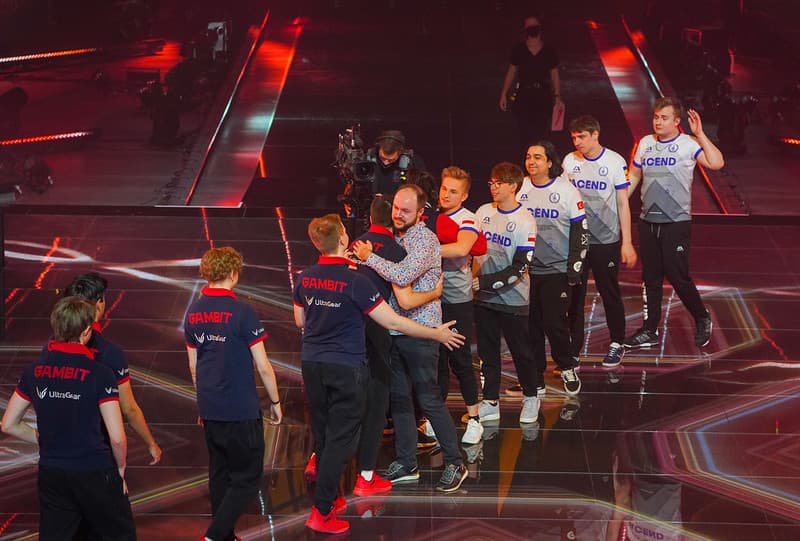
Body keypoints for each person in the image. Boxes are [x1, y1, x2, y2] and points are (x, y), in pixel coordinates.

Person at [294, 213, 464, 534]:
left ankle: (331, 493)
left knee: (327, 430)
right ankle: (322, 510)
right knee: (343, 440)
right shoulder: (356, 280)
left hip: (311, 364)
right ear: (343, 239)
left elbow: (300, 322)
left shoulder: (304, 277)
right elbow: (393, 322)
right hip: (345, 367)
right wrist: (434, 334)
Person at [352, 184, 469, 494]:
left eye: (405, 210)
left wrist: (368, 256)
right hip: (394, 330)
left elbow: (402, 276)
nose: (398, 214)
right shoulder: (394, 239)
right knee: (400, 398)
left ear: (420, 213)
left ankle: (455, 462)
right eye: (395, 209)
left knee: (428, 399)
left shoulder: (425, 240)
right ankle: (407, 462)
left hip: (421, 333)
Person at [1, 297, 135, 540]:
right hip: (94, 470)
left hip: (52, 471)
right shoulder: (100, 373)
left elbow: (8, 423)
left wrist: (41, 438)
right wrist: (120, 470)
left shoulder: (34, 371)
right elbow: (117, 438)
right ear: (85, 331)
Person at [184, 247, 282, 541]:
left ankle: (224, 535)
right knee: (248, 479)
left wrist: (203, 402)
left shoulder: (194, 313)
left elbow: (193, 366)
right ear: (233, 275)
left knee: (220, 474)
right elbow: (263, 366)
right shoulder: (243, 313)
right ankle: (214, 536)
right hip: (240, 409)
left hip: (210, 406)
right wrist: (275, 402)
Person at [624, 97, 724, 349]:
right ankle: (649, 330)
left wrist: (700, 134)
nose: (658, 121)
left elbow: (717, 162)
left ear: (677, 122)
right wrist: (616, 203)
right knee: (651, 277)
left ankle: (702, 317)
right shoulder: (645, 143)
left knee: (677, 276)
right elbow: (633, 177)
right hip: (648, 221)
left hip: (676, 222)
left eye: (664, 118)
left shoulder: (687, 144)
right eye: (656, 117)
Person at [63, 273, 162, 464]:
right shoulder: (110, 353)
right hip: (96, 449)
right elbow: (129, 409)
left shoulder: (49, 349)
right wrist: (150, 443)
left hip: (57, 451)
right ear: (99, 303)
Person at [562, 116, 637, 368]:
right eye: (573, 137)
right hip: (577, 241)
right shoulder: (570, 161)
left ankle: (617, 342)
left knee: (609, 292)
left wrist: (627, 242)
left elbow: (623, 203)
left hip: (606, 241)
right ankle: (573, 348)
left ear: (595, 135)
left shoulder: (614, 161)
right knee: (575, 295)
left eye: (581, 136)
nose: (577, 142)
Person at [472, 162, 541, 426]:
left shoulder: (525, 221)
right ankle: (490, 400)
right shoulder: (483, 212)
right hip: (484, 299)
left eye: (498, 182)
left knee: (521, 351)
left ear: (513, 186)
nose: (493, 187)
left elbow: (521, 267)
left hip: (513, 299)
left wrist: (485, 282)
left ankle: (531, 396)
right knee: (488, 352)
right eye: (491, 182)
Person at [517, 141, 587, 396]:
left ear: (549, 162)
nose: (531, 162)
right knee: (530, 326)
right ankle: (536, 377)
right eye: (528, 157)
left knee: (554, 324)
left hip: (556, 271)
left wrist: (574, 267)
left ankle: (566, 366)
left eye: (537, 157)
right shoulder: (520, 187)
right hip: (526, 272)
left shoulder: (566, 190)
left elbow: (580, 231)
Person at [436, 166, 484, 445]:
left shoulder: (468, 219)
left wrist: (425, 250)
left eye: (453, 191)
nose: (446, 194)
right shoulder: (432, 217)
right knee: (437, 362)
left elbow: (462, 248)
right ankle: (437, 419)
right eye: (444, 188)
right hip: (431, 300)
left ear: (464, 196)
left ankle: (474, 419)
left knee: (461, 361)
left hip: (458, 300)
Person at [499, 14, 564, 156]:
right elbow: (512, 71)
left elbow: (554, 74)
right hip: (523, 95)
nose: (532, 29)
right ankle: (526, 159)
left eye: (534, 26)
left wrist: (557, 96)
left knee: (540, 131)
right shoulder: (519, 49)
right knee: (523, 132)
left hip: (543, 95)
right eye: (529, 27)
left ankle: (539, 157)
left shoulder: (548, 50)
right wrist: (504, 93)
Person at [366, 130, 426, 197]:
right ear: (378, 149)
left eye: (391, 160)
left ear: (400, 153)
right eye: (382, 158)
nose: (385, 163)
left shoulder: (414, 163)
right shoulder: (368, 160)